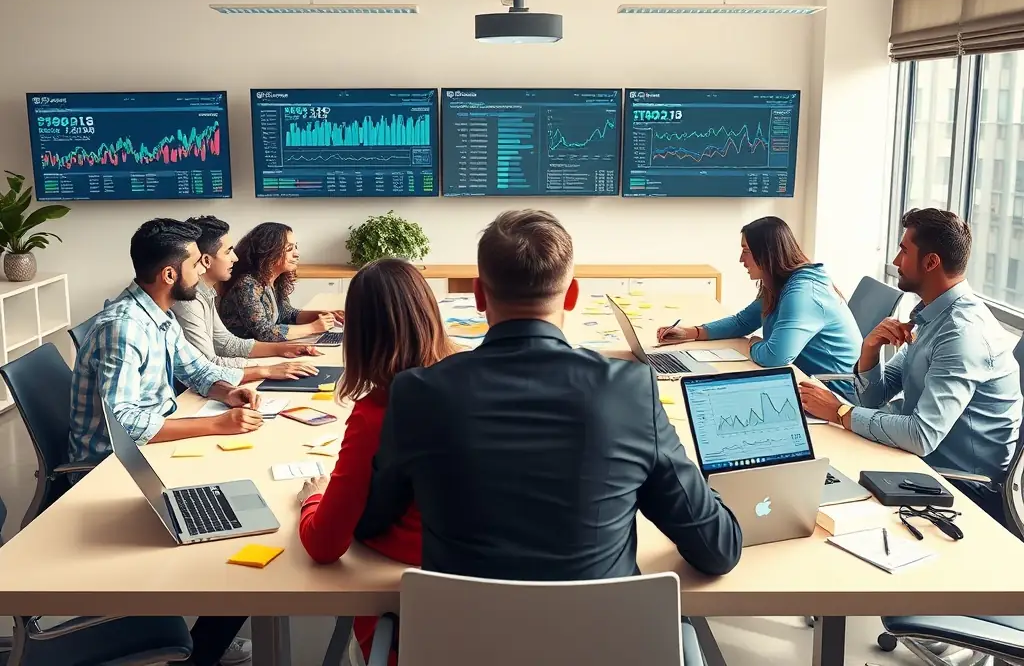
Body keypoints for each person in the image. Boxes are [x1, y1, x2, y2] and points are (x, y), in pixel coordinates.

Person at [356, 209, 742, 581]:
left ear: (478, 295)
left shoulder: (417, 393)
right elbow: (717, 551)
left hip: (458, 644)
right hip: (606, 645)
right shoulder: (630, 390)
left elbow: (370, 521)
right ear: (571, 294)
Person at [67, 218, 262, 666]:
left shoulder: (159, 316)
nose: (204, 268)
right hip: (111, 472)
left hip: (151, 455)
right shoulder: (125, 327)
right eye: (196, 262)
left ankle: (206, 642)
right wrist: (216, 425)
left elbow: (196, 370)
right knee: (235, 529)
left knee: (245, 499)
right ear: (170, 274)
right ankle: (200, 652)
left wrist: (227, 392)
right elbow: (125, 422)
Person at [799, 208, 1023, 526]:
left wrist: (839, 412)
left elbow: (921, 436)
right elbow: (872, 398)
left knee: (822, 504)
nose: (895, 261)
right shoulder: (932, 315)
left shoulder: (961, 335)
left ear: (931, 262)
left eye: (904, 251)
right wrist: (869, 350)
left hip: (959, 488)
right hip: (915, 462)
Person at [296, 259, 455, 664]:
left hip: (407, 622)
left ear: (360, 335)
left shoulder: (376, 415)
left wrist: (312, 499)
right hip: (511, 624)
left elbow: (323, 545)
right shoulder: (480, 386)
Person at [657, 216, 860, 399]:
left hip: (836, 394)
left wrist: (753, 343)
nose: (740, 259)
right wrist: (692, 332)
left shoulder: (803, 292)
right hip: (808, 383)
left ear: (768, 254)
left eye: (746, 251)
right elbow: (743, 321)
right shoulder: (782, 283)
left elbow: (775, 357)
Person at [172, 216, 324, 384]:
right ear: (206, 260)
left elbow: (226, 343)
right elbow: (208, 364)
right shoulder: (189, 300)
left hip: (219, 376)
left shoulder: (206, 293)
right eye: (228, 252)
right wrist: (267, 369)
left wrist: (282, 350)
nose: (235, 258)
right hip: (198, 388)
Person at [218, 222, 344, 342]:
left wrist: (322, 315)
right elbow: (265, 333)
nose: (296, 253)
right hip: (248, 356)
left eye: (296, 247)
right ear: (269, 251)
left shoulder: (274, 280)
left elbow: (286, 314)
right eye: (289, 248)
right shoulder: (247, 285)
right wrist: (313, 328)